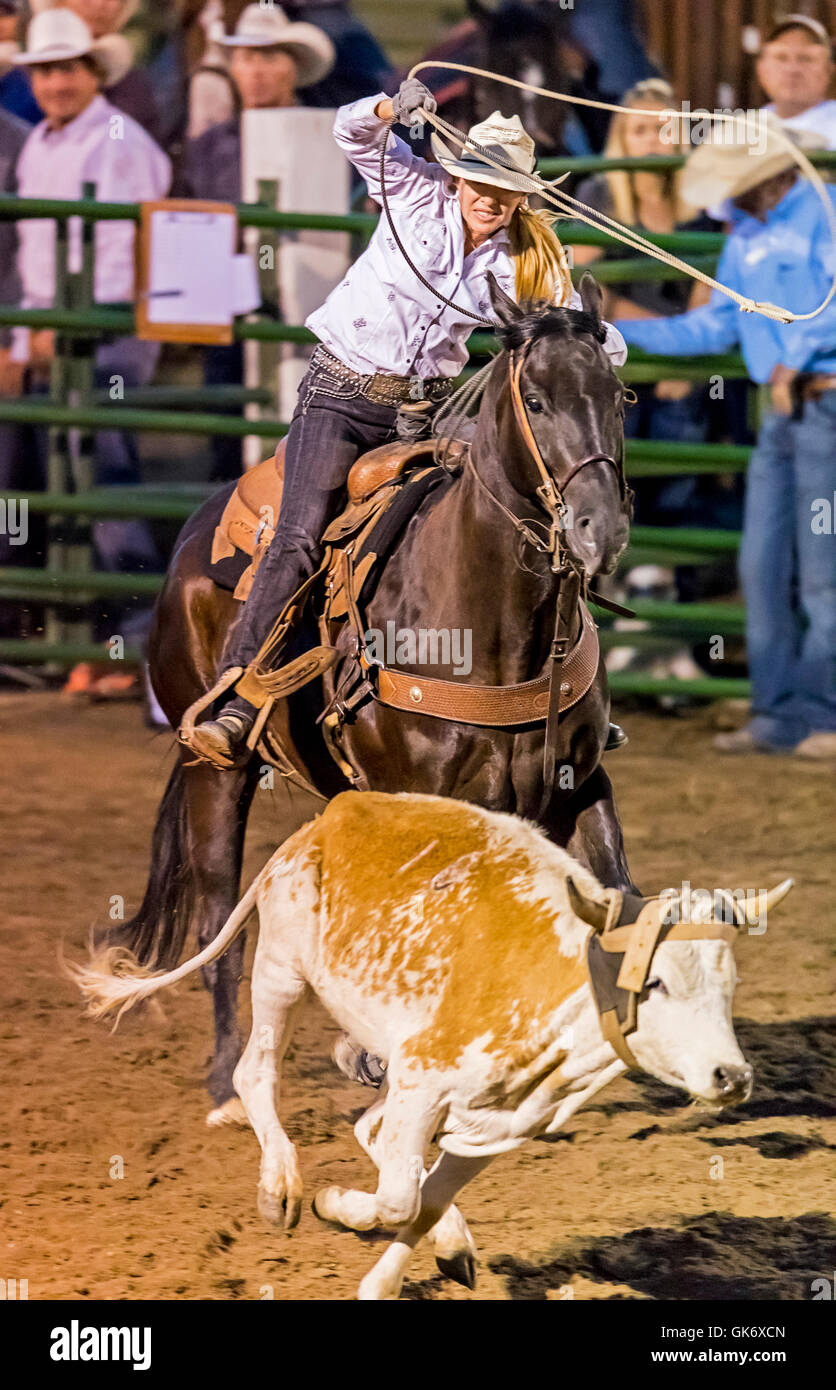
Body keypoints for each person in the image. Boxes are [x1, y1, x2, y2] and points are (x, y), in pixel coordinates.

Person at [184, 77, 629, 768]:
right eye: (478, 179)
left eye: (504, 188)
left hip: (427, 412)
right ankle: (238, 695)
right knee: (301, 535)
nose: (488, 196)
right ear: (457, 177)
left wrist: (588, 349)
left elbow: (588, 336)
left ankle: (568, 692)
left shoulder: (527, 264)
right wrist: (391, 109)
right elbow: (351, 132)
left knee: (513, 515)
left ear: (521, 198)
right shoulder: (413, 191)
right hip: (342, 396)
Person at [612, 119, 836, 760]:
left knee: (820, 570)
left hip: (820, 401)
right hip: (788, 412)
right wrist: (617, 333)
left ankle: (819, 712)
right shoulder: (749, 235)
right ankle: (779, 712)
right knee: (763, 565)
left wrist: (797, 357)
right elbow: (714, 325)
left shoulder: (825, 215)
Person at [4, 7, 171, 674]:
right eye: (45, 71)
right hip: (61, 324)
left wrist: (56, 330)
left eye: (66, 68)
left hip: (103, 325)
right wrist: (30, 335)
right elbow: (39, 255)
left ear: (90, 71)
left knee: (102, 476)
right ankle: (92, 640)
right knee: (74, 476)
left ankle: (128, 639)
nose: (55, 82)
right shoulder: (47, 141)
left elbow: (120, 247)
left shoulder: (115, 138)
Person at [179, 2, 336, 482]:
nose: (256, 71)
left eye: (269, 58)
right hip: (227, 308)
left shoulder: (330, 139)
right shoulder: (209, 147)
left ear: (292, 67)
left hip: (309, 307)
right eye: (246, 58)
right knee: (227, 434)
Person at [573, 78, 717, 461]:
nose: (652, 140)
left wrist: (685, 358)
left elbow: (710, 282)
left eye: (662, 130)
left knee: (680, 467)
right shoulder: (598, 194)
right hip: (617, 355)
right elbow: (584, 287)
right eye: (639, 130)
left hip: (684, 356)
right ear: (623, 140)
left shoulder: (699, 199)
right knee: (615, 468)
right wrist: (668, 344)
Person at [32, 0, 162, 141]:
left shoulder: (130, 85)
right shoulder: (18, 82)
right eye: (46, 71)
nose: (99, 4)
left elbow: (118, 142)